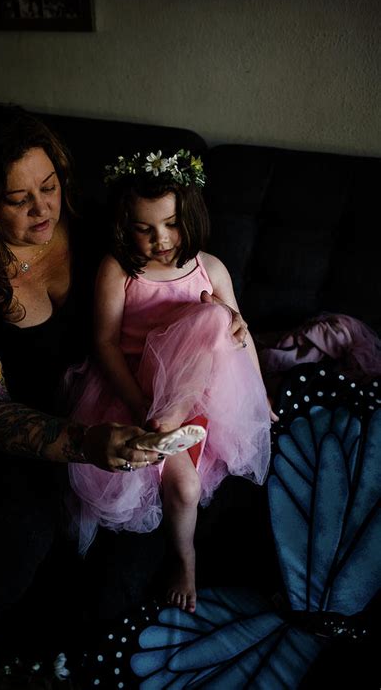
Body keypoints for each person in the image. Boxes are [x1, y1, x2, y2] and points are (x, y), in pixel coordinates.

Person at [0, 104, 166, 683]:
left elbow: (174, 268)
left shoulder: (91, 225)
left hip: (101, 417)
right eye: (16, 199)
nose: (42, 208)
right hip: (4, 444)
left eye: (48, 187)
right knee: (20, 534)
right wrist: (84, 442)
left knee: (131, 560)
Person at [64, 149, 274, 614]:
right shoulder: (118, 270)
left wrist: (259, 398)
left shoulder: (209, 269)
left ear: (191, 215)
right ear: (124, 225)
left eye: (171, 223)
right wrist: (140, 402)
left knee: (217, 318)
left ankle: (185, 559)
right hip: (135, 393)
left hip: (196, 394)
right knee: (183, 487)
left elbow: (243, 335)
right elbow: (104, 344)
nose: (160, 239)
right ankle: (164, 430)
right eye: (144, 227)